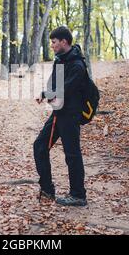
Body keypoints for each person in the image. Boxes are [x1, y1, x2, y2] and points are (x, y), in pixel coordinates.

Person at [34, 26, 88, 206]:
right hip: (58, 113)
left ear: (64, 41)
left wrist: (50, 94)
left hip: (70, 115)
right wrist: (45, 93)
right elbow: (53, 85)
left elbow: (65, 90)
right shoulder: (60, 60)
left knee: (72, 154)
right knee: (40, 146)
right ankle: (47, 189)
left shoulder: (77, 65)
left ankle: (78, 195)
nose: (52, 45)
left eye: (54, 42)